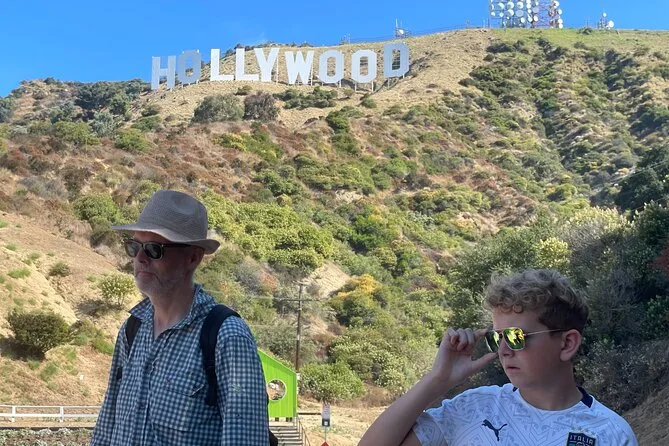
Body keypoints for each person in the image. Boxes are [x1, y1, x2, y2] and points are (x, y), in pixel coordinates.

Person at [359, 269, 638, 446]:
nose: (503, 350)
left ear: (567, 343)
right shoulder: (474, 407)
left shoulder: (610, 434)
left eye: (516, 337)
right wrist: (438, 380)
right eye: (496, 337)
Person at [91, 190, 269, 445]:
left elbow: (246, 440)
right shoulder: (132, 329)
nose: (140, 258)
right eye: (134, 246)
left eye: (154, 249)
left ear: (192, 257)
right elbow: (106, 427)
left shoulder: (227, 339)